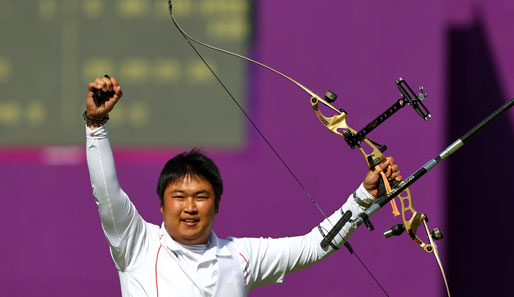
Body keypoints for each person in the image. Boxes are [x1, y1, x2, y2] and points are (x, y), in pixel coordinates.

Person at [85, 76, 402, 297]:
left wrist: (362, 198)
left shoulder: (239, 256)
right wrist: (96, 127)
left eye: (200, 197)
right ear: (162, 205)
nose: (190, 207)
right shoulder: (136, 244)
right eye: (179, 197)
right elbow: (106, 193)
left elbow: (311, 246)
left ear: (217, 203)